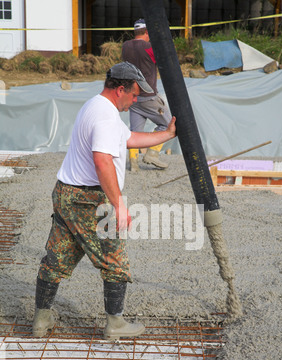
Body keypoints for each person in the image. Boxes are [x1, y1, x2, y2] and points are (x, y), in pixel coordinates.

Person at [32, 61, 176, 340]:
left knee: (57, 258)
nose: (136, 100)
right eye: (134, 94)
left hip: (66, 193)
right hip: (89, 201)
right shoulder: (107, 118)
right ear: (120, 89)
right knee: (114, 261)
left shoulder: (95, 106)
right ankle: (116, 324)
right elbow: (102, 160)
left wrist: (167, 134)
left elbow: (129, 138)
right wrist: (119, 205)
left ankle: (41, 319)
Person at [122, 18, 172, 171]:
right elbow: (164, 63)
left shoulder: (125, 46)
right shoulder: (150, 48)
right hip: (148, 96)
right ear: (147, 32)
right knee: (169, 124)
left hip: (132, 98)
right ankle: (152, 153)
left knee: (135, 132)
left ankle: (133, 161)